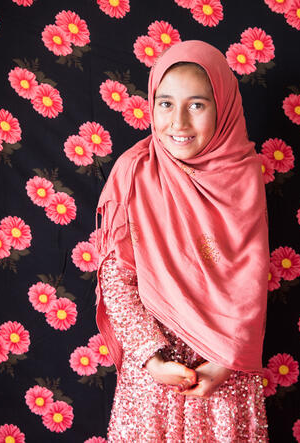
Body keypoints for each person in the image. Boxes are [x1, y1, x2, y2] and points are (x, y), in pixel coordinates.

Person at [94, 40, 269, 442]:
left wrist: (225, 361)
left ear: (223, 108)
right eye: (166, 104)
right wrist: (152, 359)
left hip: (223, 373)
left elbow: (252, 279)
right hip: (155, 378)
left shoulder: (242, 177)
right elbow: (116, 278)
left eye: (197, 105)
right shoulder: (134, 173)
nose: (178, 123)